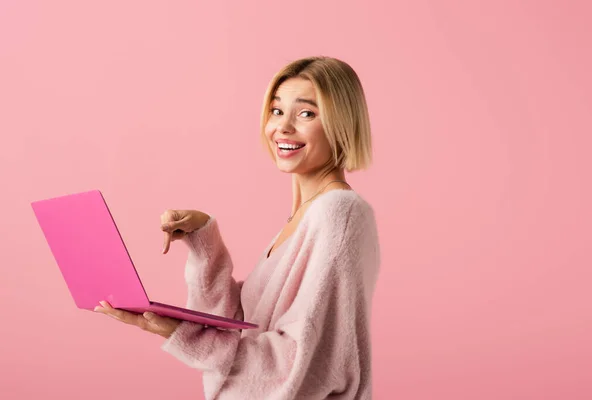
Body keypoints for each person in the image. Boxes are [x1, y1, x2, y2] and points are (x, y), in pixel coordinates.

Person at [95, 56, 381, 400]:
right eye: (276, 111)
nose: (283, 127)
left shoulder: (340, 212)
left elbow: (310, 363)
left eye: (306, 113)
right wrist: (205, 243)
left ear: (342, 123)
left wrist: (185, 336)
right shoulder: (304, 216)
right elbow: (246, 323)